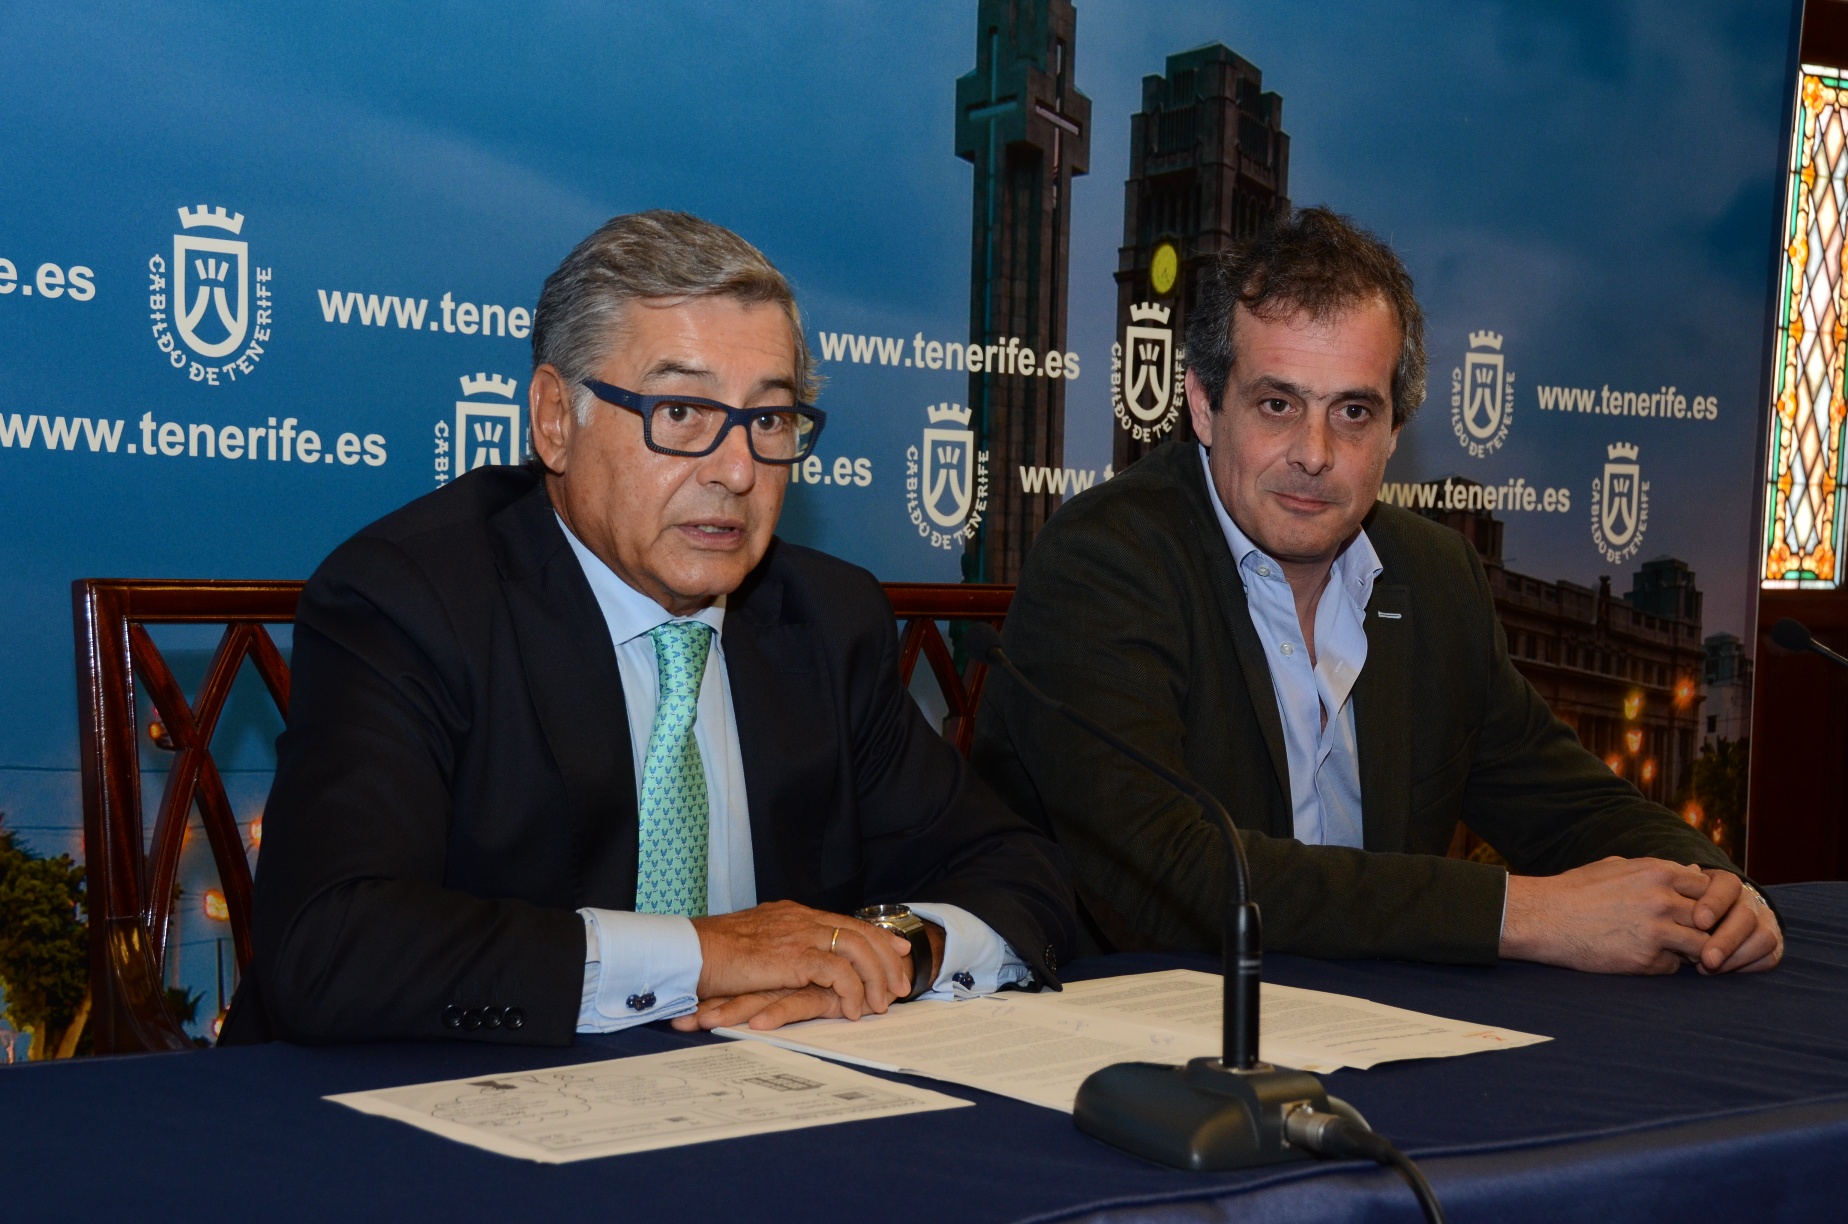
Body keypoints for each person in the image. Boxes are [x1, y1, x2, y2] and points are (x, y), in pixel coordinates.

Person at [222, 211, 1076, 1046]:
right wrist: (705, 955)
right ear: (555, 420)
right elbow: (333, 943)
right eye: (682, 412)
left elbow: (1020, 873)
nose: (737, 470)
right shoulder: (413, 601)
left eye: (769, 419)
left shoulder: (825, 618)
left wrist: (895, 951)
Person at [972, 207, 1781, 976]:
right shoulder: (1103, 562)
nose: (1315, 453)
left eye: (1353, 412)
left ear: (1395, 432)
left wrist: (1712, 889)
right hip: (1142, 1028)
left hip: (1389, 1024)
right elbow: (1171, 879)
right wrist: (1523, 915)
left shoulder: (1435, 576)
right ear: (1205, 406)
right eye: (1278, 404)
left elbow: (1568, 804)